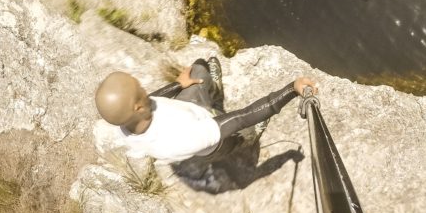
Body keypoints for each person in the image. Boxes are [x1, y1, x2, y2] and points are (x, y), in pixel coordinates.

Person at [94, 58, 317, 165]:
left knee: (200, 67)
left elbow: (153, 98)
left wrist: (179, 85)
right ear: (139, 107)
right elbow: (242, 117)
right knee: (245, 132)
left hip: (190, 111)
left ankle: (213, 91)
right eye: (140, 89)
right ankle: (251, 137)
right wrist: (291, 89)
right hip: (212, 141)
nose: (145, 87)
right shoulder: (186, 137)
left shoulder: (127, 124)